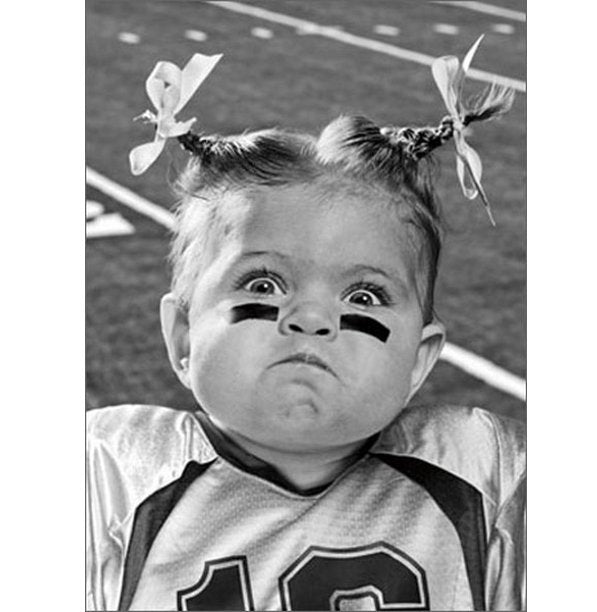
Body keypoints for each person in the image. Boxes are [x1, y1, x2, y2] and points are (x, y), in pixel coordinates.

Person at [87, 40, 525, 611]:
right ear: (183, 336)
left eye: (364, 295)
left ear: (420, 361)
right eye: (264, 284)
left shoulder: (487, 477)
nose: (313, 319)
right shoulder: (112, 477)